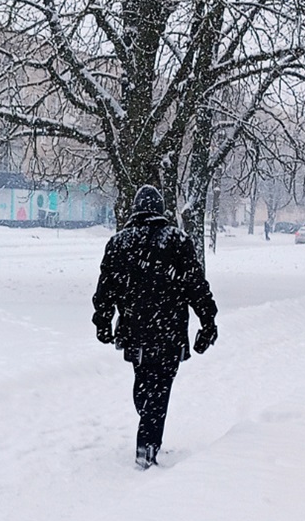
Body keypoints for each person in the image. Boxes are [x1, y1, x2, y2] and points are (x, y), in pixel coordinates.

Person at [92, 185, 218, 470]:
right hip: (169, 331)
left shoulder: (120, 243)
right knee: (160, 388)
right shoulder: (178, 241)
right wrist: (207, 321)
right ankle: (147, 443)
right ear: (161, 210)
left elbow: (106, 288)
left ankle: (147, 432)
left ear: (135, 209)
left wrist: (103, 320)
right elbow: (196, 286)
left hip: (135, 330)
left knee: (144, 384)